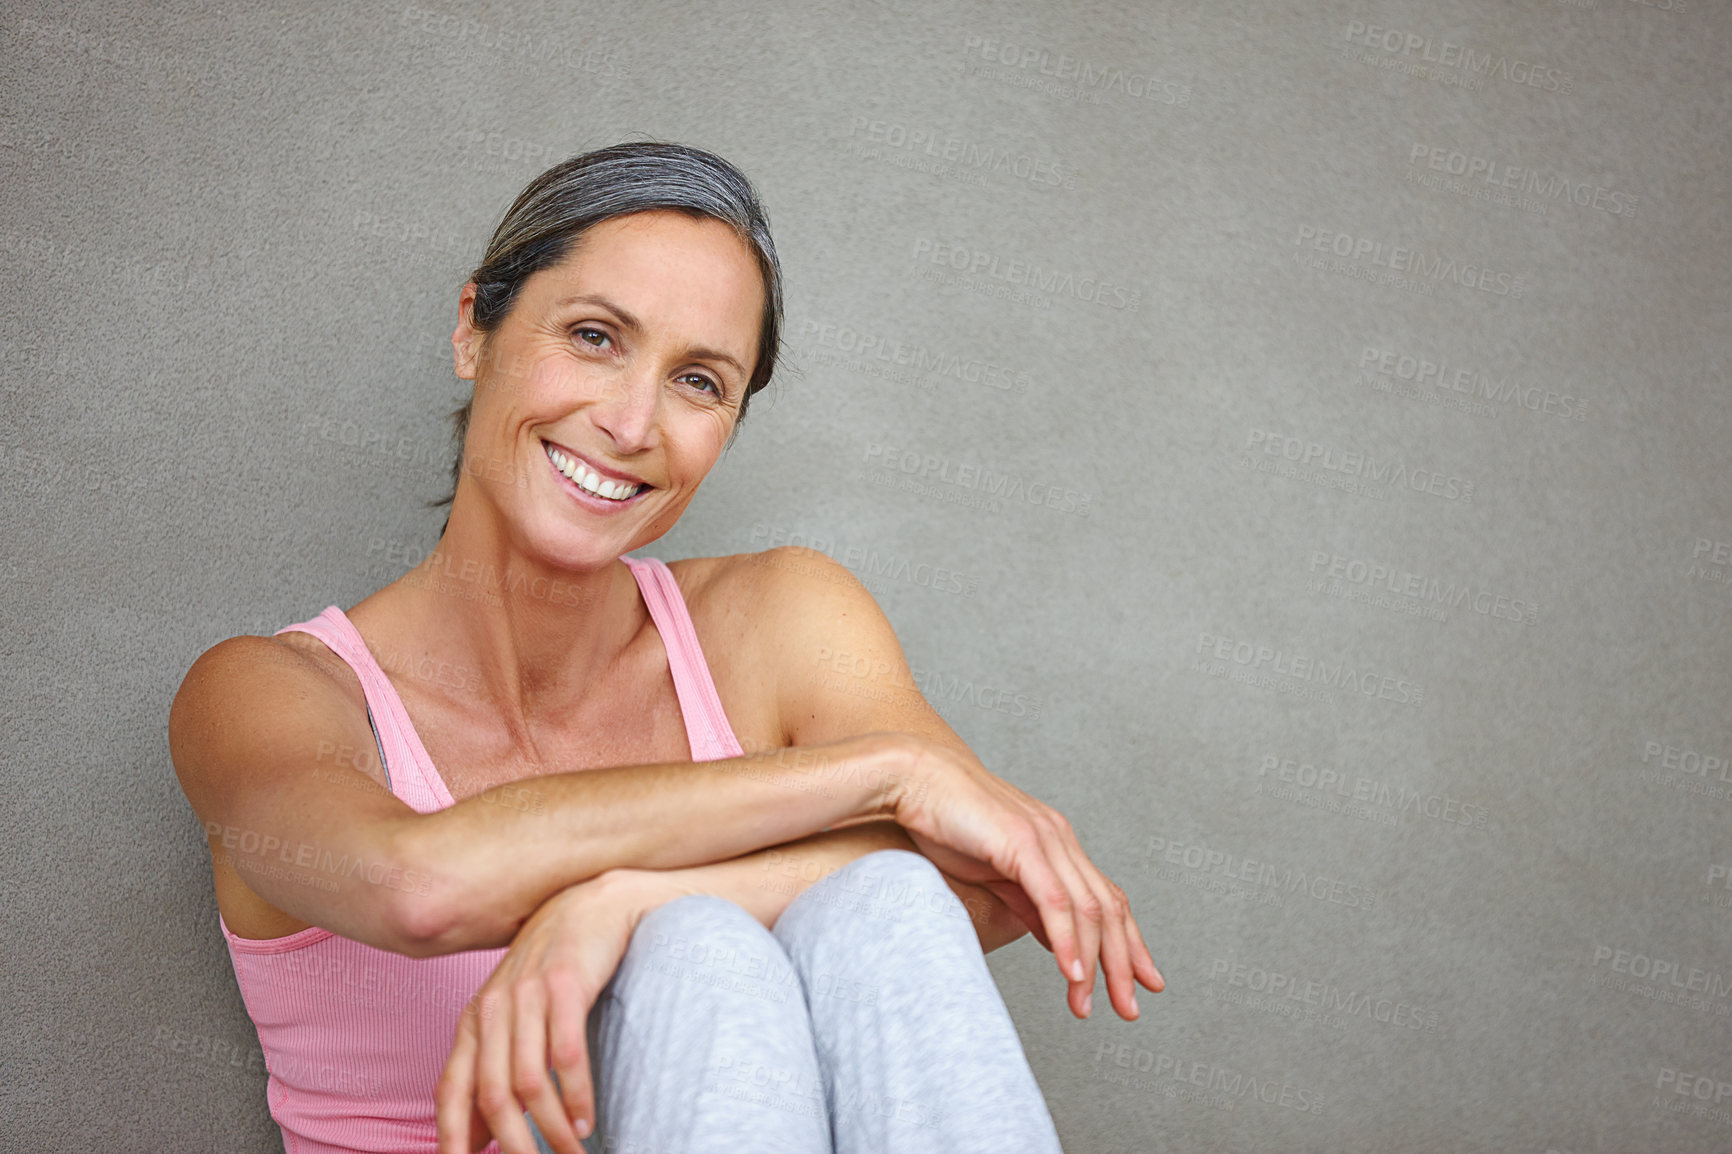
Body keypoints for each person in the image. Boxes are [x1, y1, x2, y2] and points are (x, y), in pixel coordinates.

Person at [168, 142, 1163, 1154]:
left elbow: (990, 885)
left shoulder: (781, 616)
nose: (632, 420)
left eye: (697, 380)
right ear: (474, 328)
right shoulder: (265, 689)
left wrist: (621, 905)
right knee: (700, 952)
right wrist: (891, 772)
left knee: (823, 908)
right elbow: (417, 884)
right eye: (595, 336)